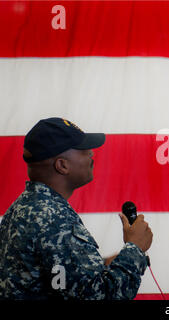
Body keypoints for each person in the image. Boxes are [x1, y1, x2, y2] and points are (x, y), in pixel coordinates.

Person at [0, 117, 153, 299]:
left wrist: (103, 265)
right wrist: (135, 249)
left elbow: (59, 276)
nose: (91, 154)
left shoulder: (26, 206)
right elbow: (102, 296)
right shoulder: (52, 219)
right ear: (62, 165)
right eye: (83, 150)